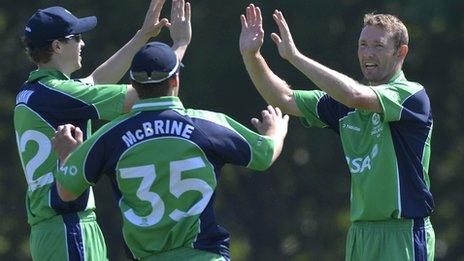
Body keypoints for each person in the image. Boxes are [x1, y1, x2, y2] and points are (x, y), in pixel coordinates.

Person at [51, 41, 289, 260]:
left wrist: (67, 157)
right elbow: (264, 155)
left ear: (133, 85)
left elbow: (67, 192)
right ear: (175, 80)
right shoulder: (206, 125)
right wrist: (275, 130)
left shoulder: (110, 136)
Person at [239, 4, 434, 260]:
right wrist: (251, 56)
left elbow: (354, 95)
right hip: (360, 234)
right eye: (363, 44)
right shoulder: (343, 104)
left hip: (402, 232)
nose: (368, 53)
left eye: (378, 45)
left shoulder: (411, 95)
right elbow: (284, 99)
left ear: (401, 53)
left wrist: (295, 57)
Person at [14, 0, 191, 259]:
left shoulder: (37, 91)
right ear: (57, 46)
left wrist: (142, 36)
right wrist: (180, 45)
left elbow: (95, 81)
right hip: (69, 226)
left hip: (52, 229)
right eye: (77, 37)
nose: (83, 43)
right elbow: (147, 93)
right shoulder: (60, 93)